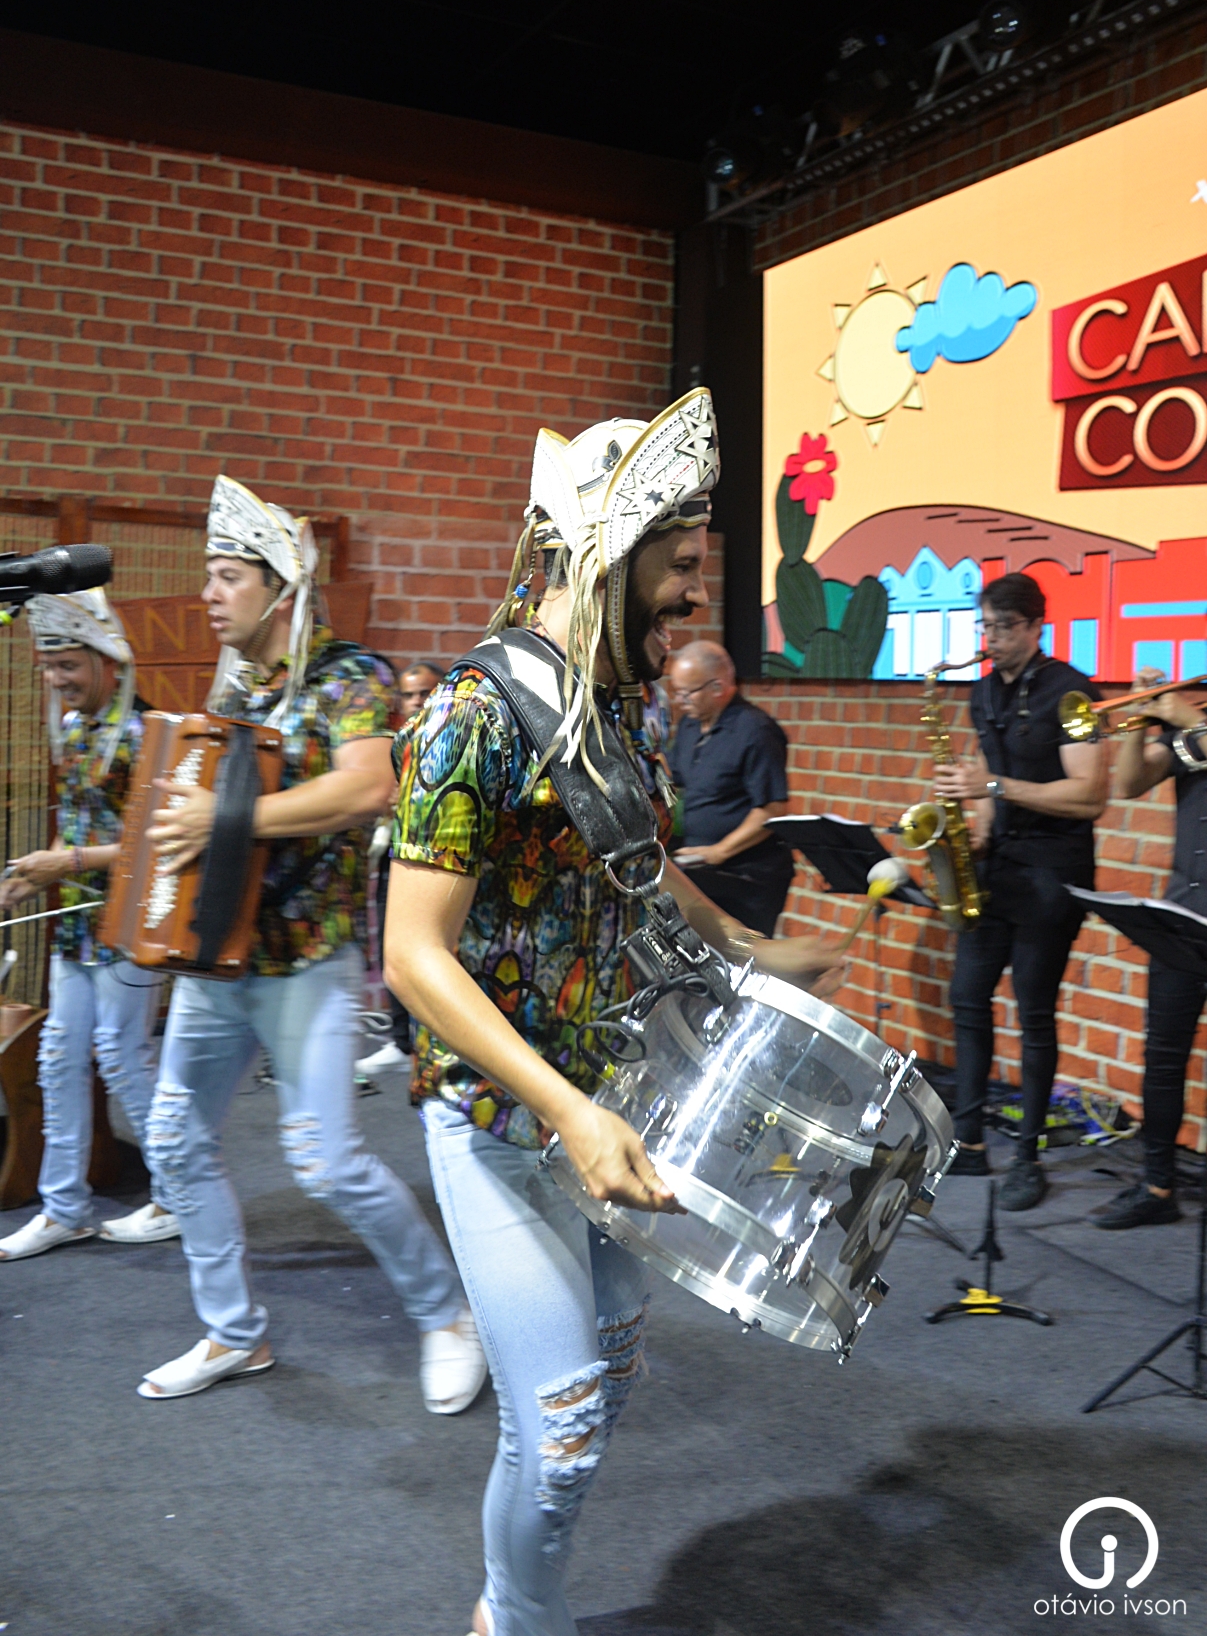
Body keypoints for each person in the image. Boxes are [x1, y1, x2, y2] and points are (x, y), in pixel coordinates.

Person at [385, 390, 847, 1636]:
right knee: (563, 1425)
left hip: (612, 1101)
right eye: (677, 563)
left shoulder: (619, 705)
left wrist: (757, 948)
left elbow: (642, 868)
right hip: (502, 1116)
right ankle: (514, 1618)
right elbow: (413, 955)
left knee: (607, 1384)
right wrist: (567, 1111)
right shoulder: (473, 714)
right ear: (604, 551)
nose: (694, 593)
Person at [136, 475, 485, 1411]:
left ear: (280, 586)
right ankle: (232, 1331)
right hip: (218, 956)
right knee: (172, 1140)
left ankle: (447, 1314)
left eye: (227, 576)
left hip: (307, 959)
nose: (208, 594)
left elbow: (368, 787)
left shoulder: (349, 676)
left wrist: (223, 817)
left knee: (326, 1162)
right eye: (208, 576)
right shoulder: (238, 688)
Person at [0, 588, 178, 1260]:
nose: (56, 679)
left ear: (109, 661)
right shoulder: (76, 727)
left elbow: (156, 841)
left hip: (130, 919)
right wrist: (31, 876)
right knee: (57, 1057)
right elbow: (79, 826)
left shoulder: (149, 735)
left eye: (68, 665)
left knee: (123, 1054)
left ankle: (177, 1196)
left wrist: (66, 861)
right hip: (78, 924)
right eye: (49, 666)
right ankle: (63, 1207)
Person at [934, 572, 1108, 1211]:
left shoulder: (1073, 693)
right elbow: (988, 778)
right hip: (1000, 867)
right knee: (967, 996)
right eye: (986, 625)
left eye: (1005, 627)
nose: (993, 638)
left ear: (1037, 627)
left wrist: (995, 789)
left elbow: (1091, 795)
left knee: (1034, 1009)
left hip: (1054, 873)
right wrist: (977, 823)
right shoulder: (983, 692)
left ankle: (1029, 1156)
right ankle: (970, 1141)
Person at [1092, 674, 1207, 1228]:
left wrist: (1188, 718)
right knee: (1163, 1056)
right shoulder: (1195, 726)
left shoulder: (1196, 721)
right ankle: (1158, 1186)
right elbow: (1131, 783)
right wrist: (1139, 721)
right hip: (1184, 915)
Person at [668, 639, 794, 937]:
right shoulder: (689, 726)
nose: (680, 701)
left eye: (687, 693)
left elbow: (772, 810)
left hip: (746, 876)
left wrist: (719, 851)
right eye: (677, 692)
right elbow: (674, 780)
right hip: (699, 869)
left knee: (739, 958)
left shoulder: (756, 730)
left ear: (717, 687)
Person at [358, 659, 448, 1081]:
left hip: (438, 860)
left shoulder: (455, 734)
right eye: (408, 694)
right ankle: (400, 1042)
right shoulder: (396, 739)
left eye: (423, 692)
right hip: (393, 852)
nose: (414, 701)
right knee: (390, 950)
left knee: (434, 952)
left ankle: (439, 1043)